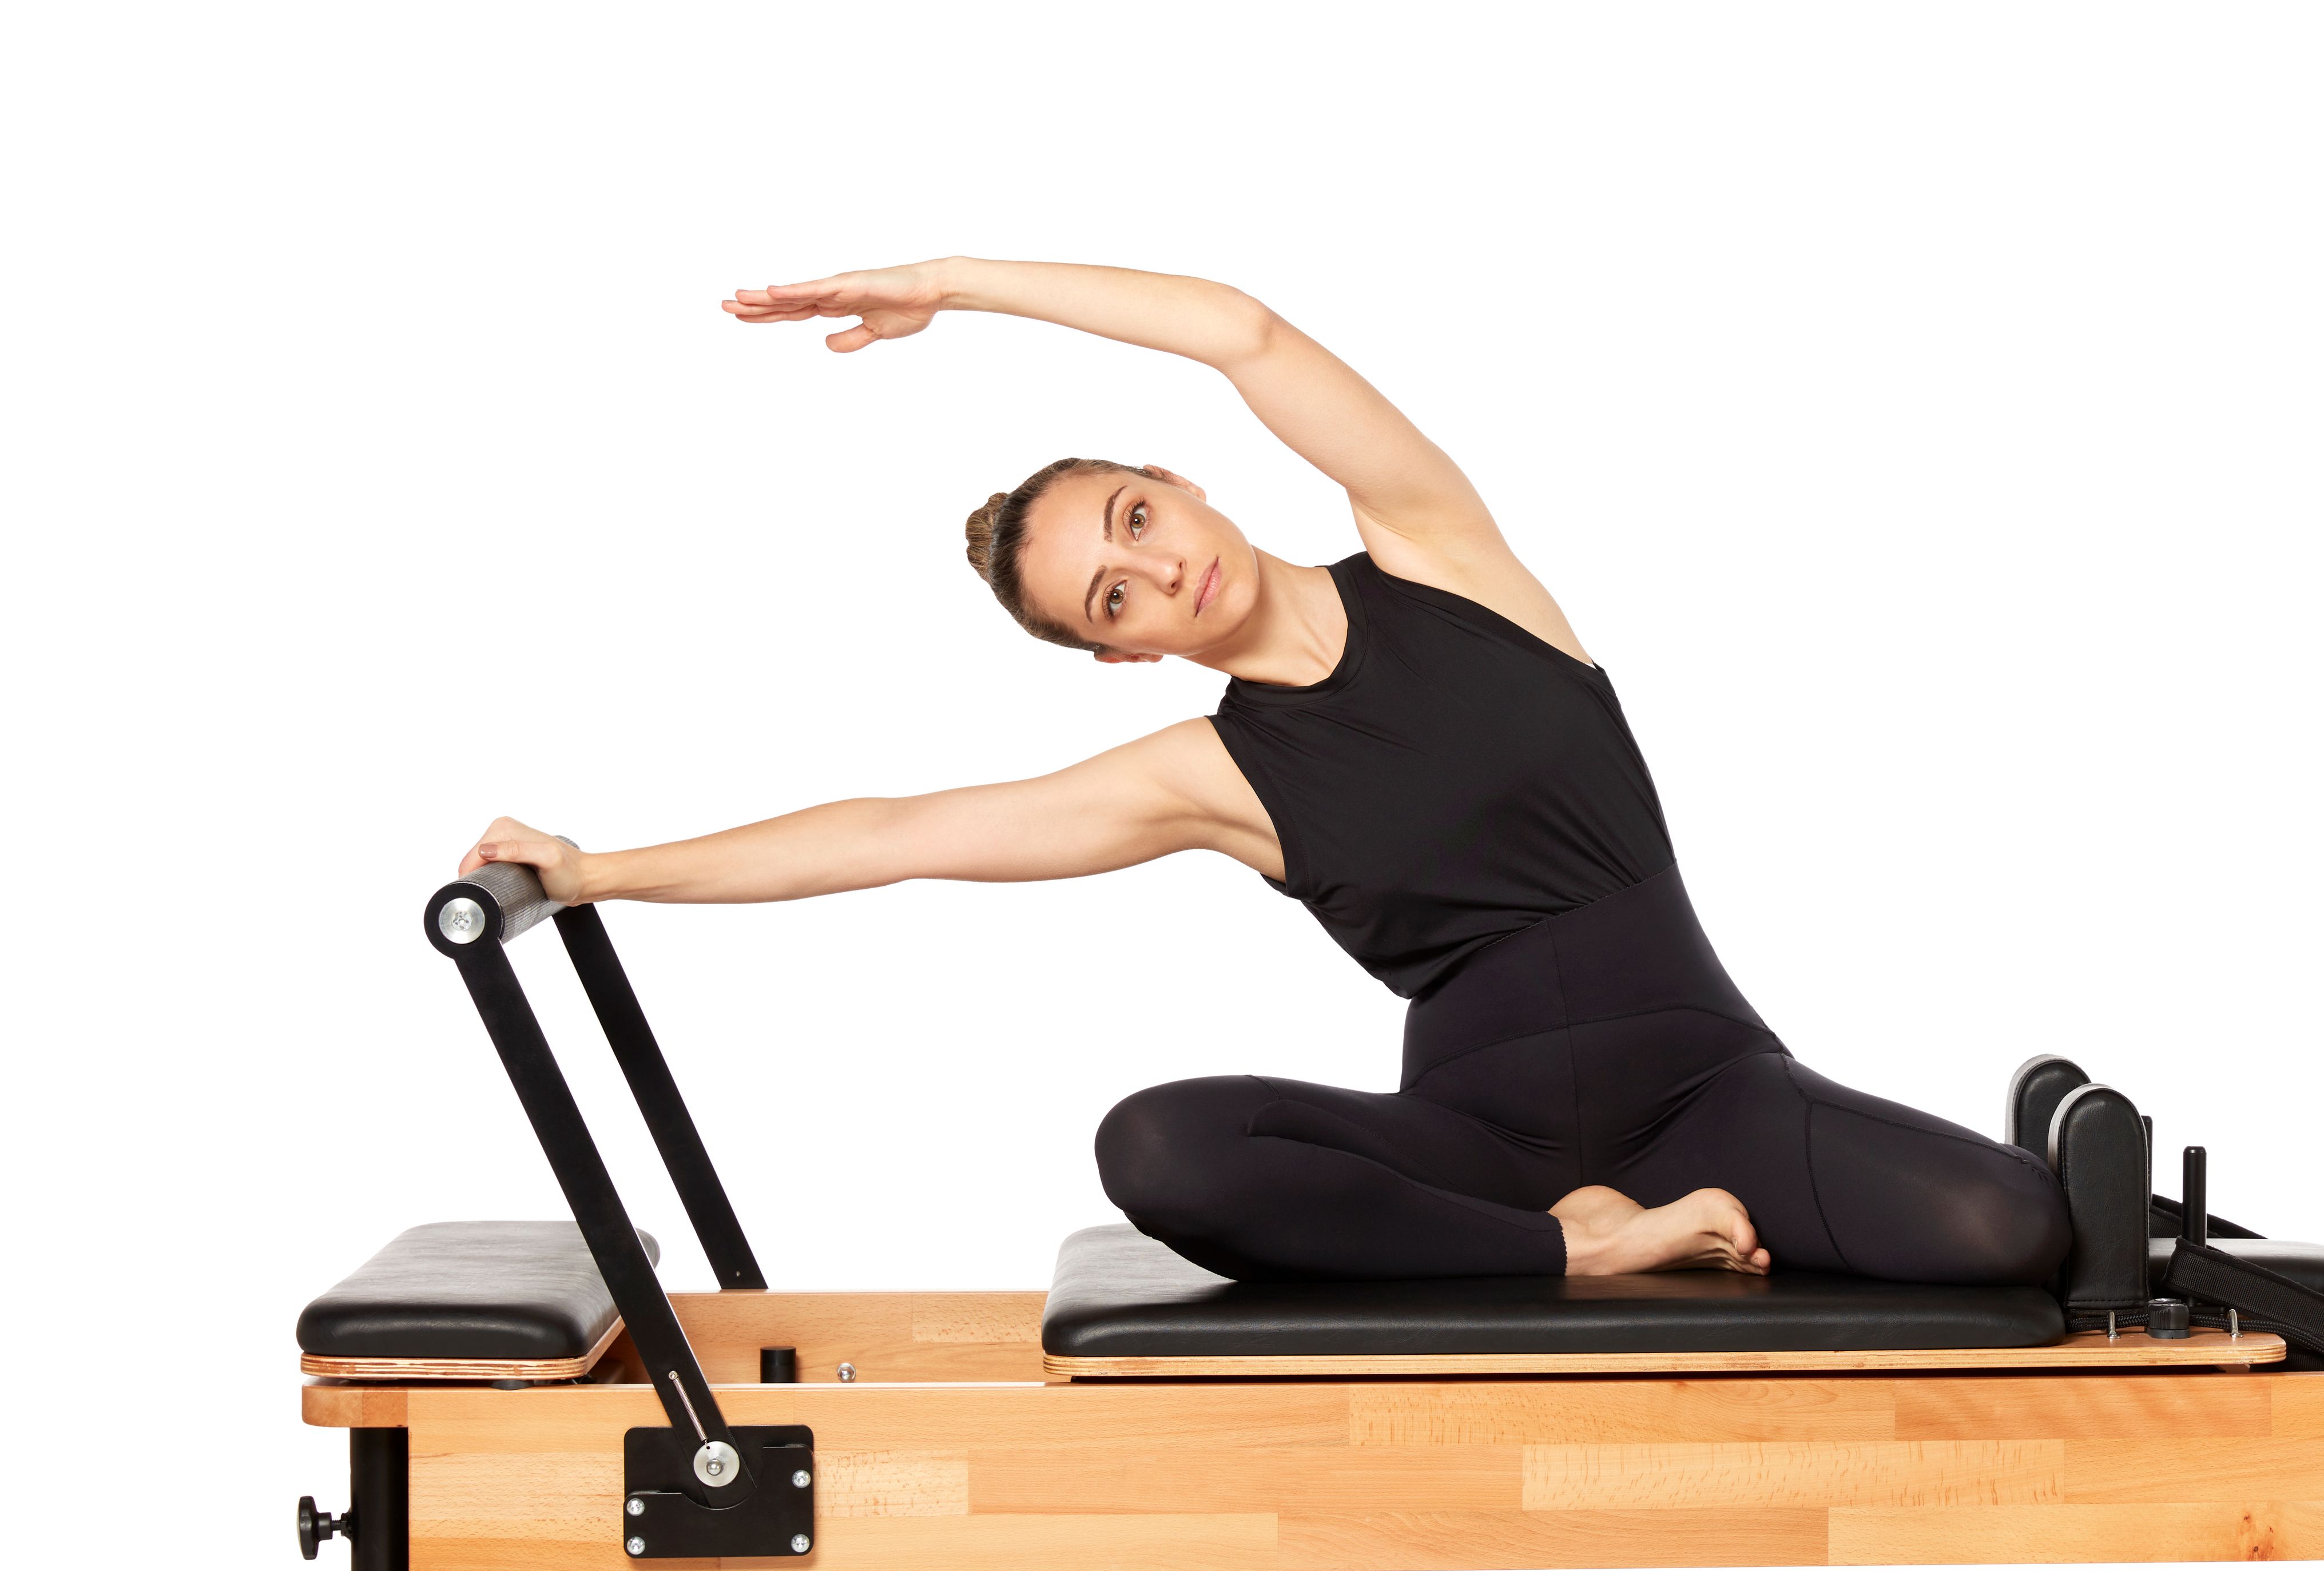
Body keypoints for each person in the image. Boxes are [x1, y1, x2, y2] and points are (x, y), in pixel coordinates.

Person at [460, 257, 2068, 1289]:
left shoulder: (1444, 558)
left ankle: (1617, 1226)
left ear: (1182, 484)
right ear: (1117, 652)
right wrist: (594, 872)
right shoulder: (1202, 777)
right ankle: (1570, 1255)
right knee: (1159, 1149)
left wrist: (955, 284)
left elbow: (1242, 329)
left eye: (1137, 524)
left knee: (2021, 1231)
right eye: (1111, 598)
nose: (1156, 576)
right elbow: (896, 833)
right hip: (1485, 1149)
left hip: (1712, 1090)